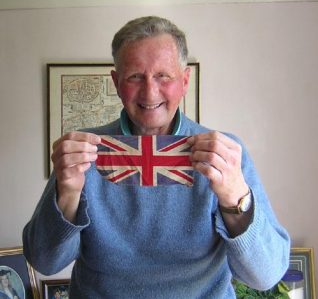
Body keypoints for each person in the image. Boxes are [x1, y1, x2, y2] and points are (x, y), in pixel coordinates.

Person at [23, 16, 290, 298]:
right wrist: (67, 196)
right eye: (135, 76)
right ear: (116, 82)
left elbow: (266, 275)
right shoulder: (83, 154)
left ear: (185, 81)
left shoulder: (225, 155)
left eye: (164, 76)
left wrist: (237, 199)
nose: (150, 92)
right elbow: (45, 262)